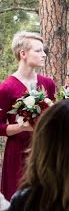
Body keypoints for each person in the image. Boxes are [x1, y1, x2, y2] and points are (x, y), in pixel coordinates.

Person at [0, 32, 56, 199]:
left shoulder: (48, 84)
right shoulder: (6, 88)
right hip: (18, 152)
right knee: (18, 199)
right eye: (38, 51)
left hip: (44, 149)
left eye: (43, 51)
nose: (44, 54)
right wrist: (21, 127)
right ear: (23, 54)